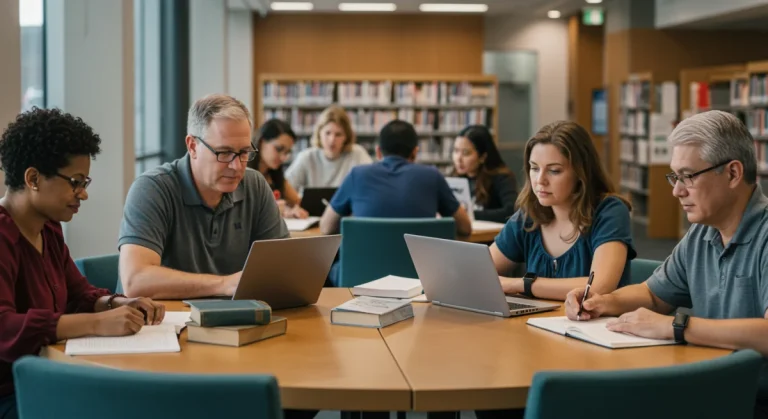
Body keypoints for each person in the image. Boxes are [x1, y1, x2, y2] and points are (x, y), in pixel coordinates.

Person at [564, 110, 768, 419]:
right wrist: (601, 301)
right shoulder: (702, 232)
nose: (677, 190)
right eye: (675, 176)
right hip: (712, 389)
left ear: (733, 173)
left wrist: (678, 326)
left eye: (688, 176)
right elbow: (655, 295)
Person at [0, 108, 165, 419]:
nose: (83, 194)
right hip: (13, 395)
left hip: (49, 379)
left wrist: (117, 303)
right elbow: (3, 326)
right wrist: (96, 324)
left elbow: (79, 295)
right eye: (75, 182)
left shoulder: (48, 230)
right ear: (33, 178)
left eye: (84, 181)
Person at [118, 94, 290, 300]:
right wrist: (224, 284)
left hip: (231, 320)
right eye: (224, 153)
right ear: (192, 146)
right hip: (161, 325)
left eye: (244, 152)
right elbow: (135, 281)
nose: (236, 166)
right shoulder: (152, 189)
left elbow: (283, 268)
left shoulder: (255, 185)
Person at [491, 120, 636, 301]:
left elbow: (599, 286)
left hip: (592, 326)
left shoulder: (610, 211)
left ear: (580, 173)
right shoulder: (529, 215)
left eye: (554, 171)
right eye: (534, 168)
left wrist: (521, 284)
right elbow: (481, 271)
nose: (540, 180)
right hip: (534, 324)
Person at [319, 120, 472, 286]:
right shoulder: (432, 176)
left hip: (360, 279)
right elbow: (465, 227)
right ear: (415, 152)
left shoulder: (357, 175)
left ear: (378, 152)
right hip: (422, 281)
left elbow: (326, 227)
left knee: (331, 268)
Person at [285, 105, 372, 190]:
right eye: (327, 133)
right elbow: (286, 186)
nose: (332, 140)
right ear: (319, 133)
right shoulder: (307, 157)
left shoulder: (357, 154)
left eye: (338, 134)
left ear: (346, 136)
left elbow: (373, 181)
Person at [451, 124, 518, 223]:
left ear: (482, 157)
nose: (458, 159)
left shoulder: (502, 178)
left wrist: (470, 214)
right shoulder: (454, 177)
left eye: (466, 153)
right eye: (456, 151)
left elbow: (511, 211)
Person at [247, 119, 309, 219]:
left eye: (287, 152)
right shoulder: (243, 174)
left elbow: (298, 202)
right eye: (279, 149)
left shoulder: (275, 176)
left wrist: (293, 210)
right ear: (262, 142)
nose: (283, 157)